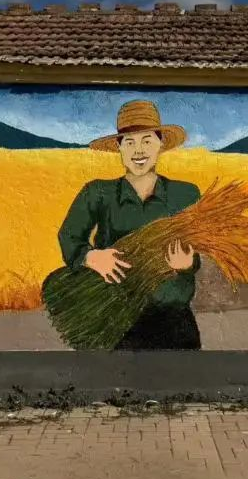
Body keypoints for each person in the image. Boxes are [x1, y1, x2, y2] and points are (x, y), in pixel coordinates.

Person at [43, 100, 202, 349]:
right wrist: (91, 257)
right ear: (119, 147)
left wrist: (188, 264)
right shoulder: (98, 193)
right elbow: (69, 236)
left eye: (147, 141)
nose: (138, 151)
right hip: (115, 320)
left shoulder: (186, 195)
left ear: (160, 144)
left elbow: (198, 250)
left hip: (175, 320)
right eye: (129, 142)